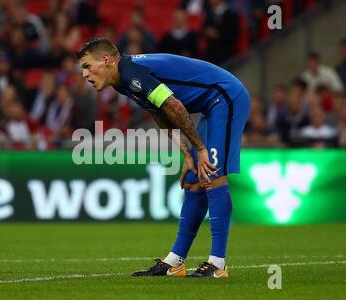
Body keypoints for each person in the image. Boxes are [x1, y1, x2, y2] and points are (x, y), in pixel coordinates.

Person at [77, 38, 250, 278]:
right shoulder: (121, 79)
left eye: (87, 66)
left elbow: (175, 106)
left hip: (226, 95)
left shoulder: (131, 74)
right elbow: (158, 111)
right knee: (192, 179)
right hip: (210, 103)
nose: (84, 74)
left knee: (211, 172)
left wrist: (199, 149)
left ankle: (218, 264)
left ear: (106, 60)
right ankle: (175, 262)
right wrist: (186, 153)